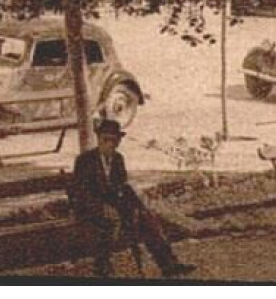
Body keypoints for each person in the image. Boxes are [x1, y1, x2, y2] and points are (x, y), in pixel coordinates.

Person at [70, 119, 196, 277]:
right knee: (109, 222)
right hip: (90, 209)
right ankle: (102, 267)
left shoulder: (118, 159)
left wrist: (139, 207)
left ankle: (169, 264)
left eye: (114, 140)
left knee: (148, 220)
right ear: (99, 139)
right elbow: (80, 192)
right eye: (105, 139)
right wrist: (102, 207)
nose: (109, 144)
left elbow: (123, 187)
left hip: (115, 207)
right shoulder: (85, 160)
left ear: (118, 142)